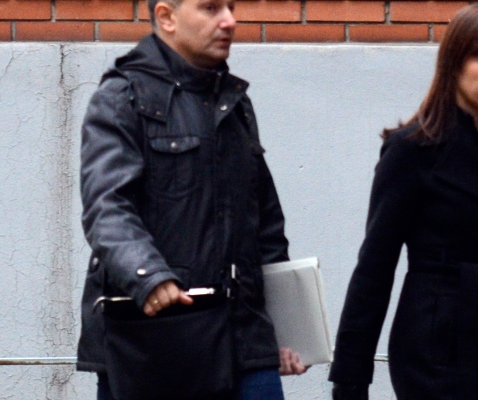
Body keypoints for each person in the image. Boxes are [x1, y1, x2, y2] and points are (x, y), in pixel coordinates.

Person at [329, 4, 478, 400]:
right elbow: (375, 267)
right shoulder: (411, 150)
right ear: (455, 62)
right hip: (437, 347)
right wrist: (351, 376)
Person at [75, 0, 307, 398]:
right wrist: (149, 277)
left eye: (231, 7)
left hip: (245, 341)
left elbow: (265, 224)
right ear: (166, 17)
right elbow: (106, 207)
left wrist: (285, 330)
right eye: (211, 8)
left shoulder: (233, 101)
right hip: (157, 339)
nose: (229, 21)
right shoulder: (121, 96)